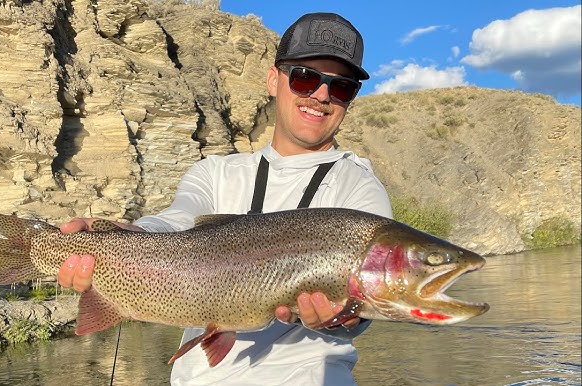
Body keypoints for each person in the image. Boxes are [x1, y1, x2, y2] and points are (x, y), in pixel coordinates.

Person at [57, 12, 392, 385]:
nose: (322, 95)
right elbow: (176, 221)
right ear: (273, 80)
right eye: (305, 78)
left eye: (341, 86)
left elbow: (365, 309)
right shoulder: (214, 172)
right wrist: (124, 234)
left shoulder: (359, 189)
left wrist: (346, 318)